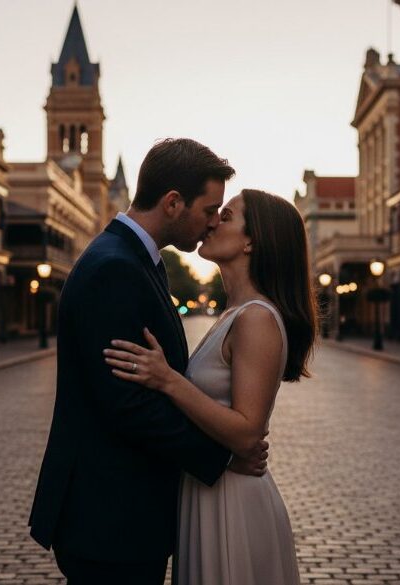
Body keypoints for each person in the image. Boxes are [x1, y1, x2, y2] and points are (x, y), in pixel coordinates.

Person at [27, 139, 270, 585]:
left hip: (122, 518)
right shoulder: (114, 268)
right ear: (173, 203)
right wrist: (221, 459)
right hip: (109, 519)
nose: (213, 221)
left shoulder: (135, 260)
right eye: (209, 209)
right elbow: (128, 404)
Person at [104, 188, 317, 585]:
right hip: (210, 489)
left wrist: (167, 379)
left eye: (228, 215)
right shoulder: (235, 313)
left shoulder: (256, 318)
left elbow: (248, 431)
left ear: (252, 241)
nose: (213, 221)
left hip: (232, 500)